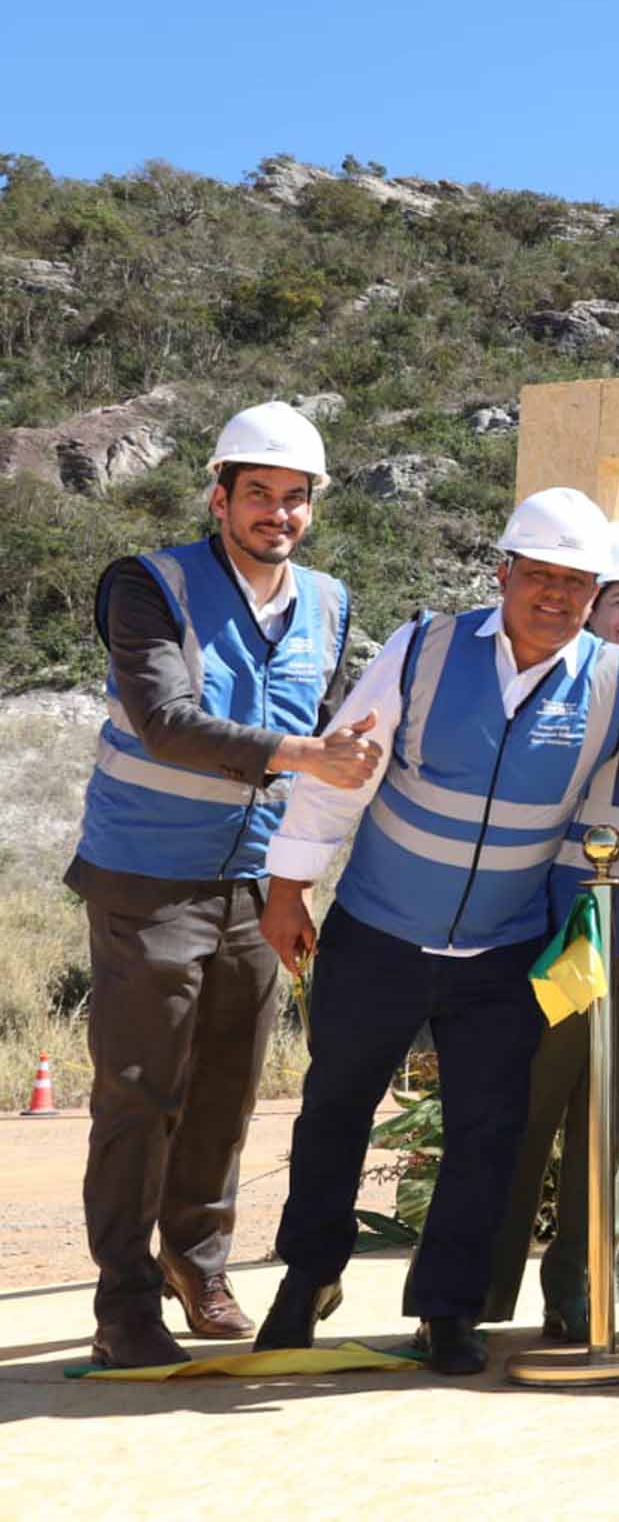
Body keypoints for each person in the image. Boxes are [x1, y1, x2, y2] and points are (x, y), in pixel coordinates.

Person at [250, 486, 619, 1374]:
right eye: (538, 576)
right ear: (503, 572)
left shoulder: (614, 677)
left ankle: (450, 1313)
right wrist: (288, 884)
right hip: (378, 929)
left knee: (484, 1131)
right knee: (334, 1111)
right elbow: (343, 767)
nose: (555, 597)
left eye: (575, 584)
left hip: (500, 947)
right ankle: (305, 1281)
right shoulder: (422, 649)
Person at [67, 402, 375, 1368]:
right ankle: (123, 1302)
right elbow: (162, 718)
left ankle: (196, 1265)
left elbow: (329, 746)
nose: (276, 514)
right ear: (220, 495)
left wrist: (298, 877)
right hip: (146, 875)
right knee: (136, 1090)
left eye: (293, 498)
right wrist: (300, 755)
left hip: (254, 884)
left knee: (229, 1090)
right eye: (258, 495)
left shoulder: (327, 602)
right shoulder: (149, 584)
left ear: (312, 508)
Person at [471, 518, 619, 1338]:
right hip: (567, 940)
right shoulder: (571, 687)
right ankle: (473, 1301)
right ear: (592, 611)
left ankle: (585, 1296)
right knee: (528, 1113)